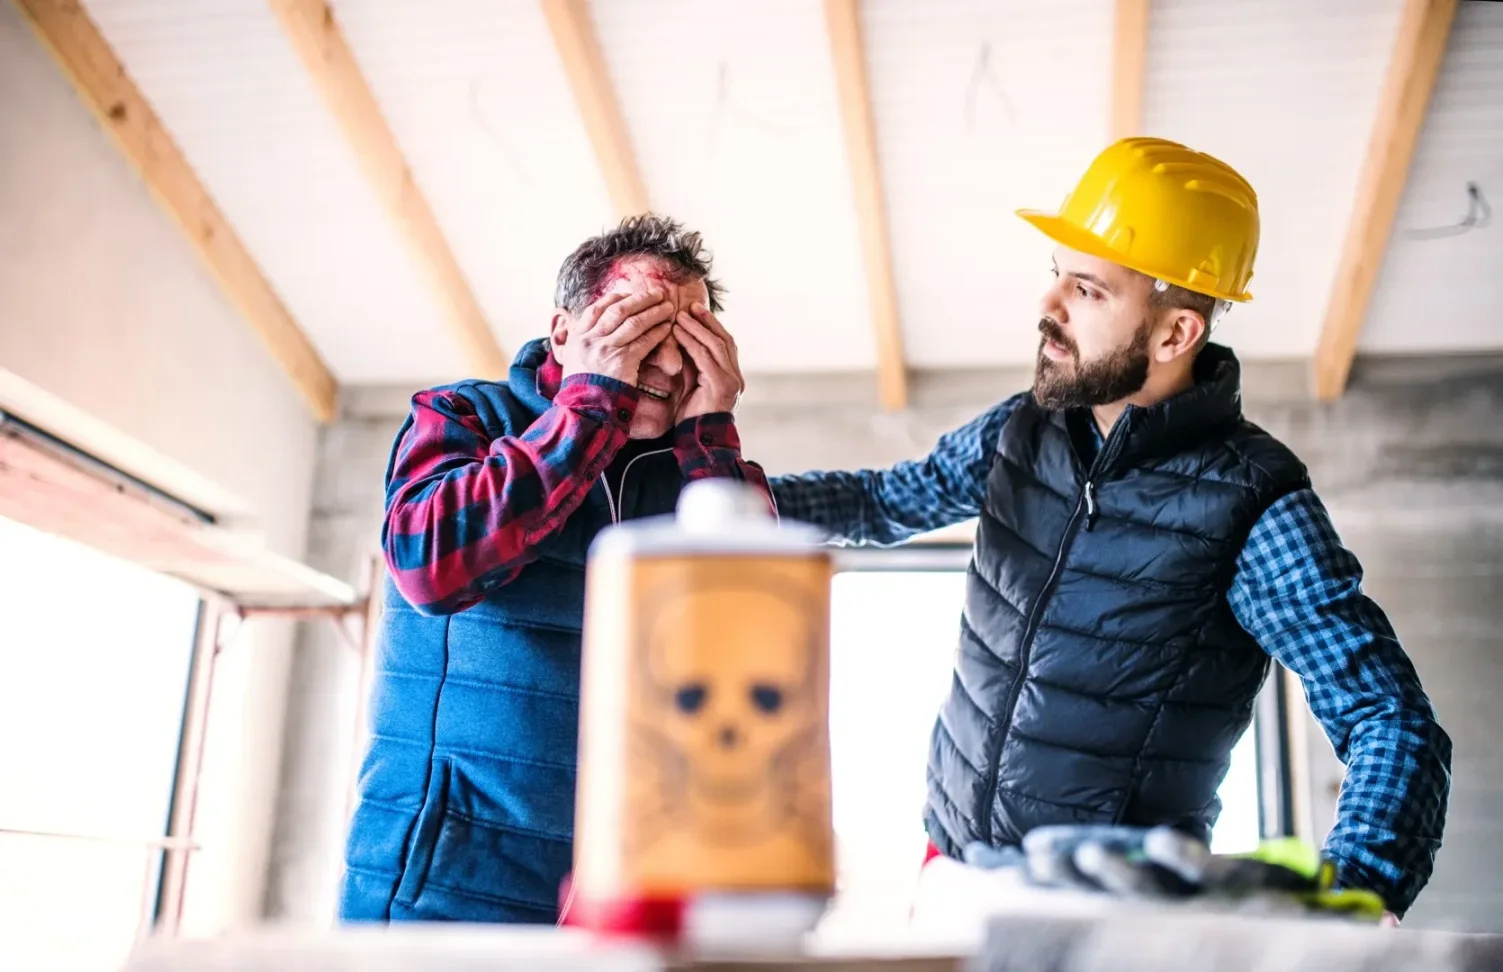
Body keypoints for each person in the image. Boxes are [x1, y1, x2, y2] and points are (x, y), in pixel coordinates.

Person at [771, 137, 1451, 921]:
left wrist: (1350, 906)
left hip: (1104, 920)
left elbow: (1389, 719)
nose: (1047, 306)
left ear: (1173, 336)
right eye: (1054, 274)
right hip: (950, 872)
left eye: (1087, 291)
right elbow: (886, 501)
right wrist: (712, 495)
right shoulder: (1024, 430)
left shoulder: (1249, 501)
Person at [340, 215, 770, 923]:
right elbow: (427, 568)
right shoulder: (464, 416)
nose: (666, 366)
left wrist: (712, 440)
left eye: (687, 340)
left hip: (632, 884)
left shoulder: (706, 470)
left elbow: (757, 650)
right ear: (565, 332)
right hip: (447, 880)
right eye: (641, 330)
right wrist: (591, 404)